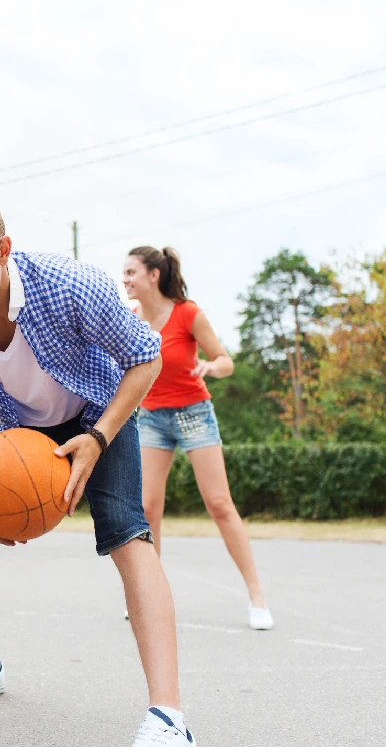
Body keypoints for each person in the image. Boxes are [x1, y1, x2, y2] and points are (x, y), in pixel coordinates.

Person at [0, 183, 197, 747]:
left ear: (2, 250)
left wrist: (98, 437)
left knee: (128, 535)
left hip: (99, 413)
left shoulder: (71, 286)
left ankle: (168, 717)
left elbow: (146, 358)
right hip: (17, 432)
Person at [124, 246, 272, 631]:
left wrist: (211, 366)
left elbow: (226, 361)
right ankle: (149, 596)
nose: (125, 279)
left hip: (194, 414)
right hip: (152, 417)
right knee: (147, 507)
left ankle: (257, 598)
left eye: (131, 272)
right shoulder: (133, 318)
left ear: (153, 275)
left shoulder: (188, 313)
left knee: (219, 504)